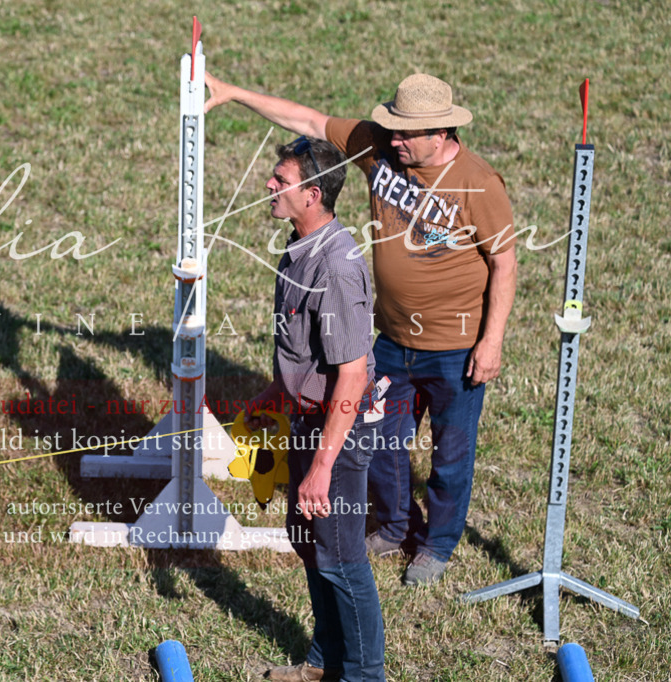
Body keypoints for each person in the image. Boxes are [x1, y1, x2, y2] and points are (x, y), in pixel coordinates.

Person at [206, 72, 517, 587]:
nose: (393, 139)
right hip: (392, 339)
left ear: (440, 133)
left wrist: (492, 340)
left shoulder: (479, 184)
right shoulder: (378, 147)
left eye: (405, 134)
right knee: (375, 441)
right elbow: (307, 120)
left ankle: (436, 546)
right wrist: (234, 93)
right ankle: (396, 527)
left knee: (451, 452)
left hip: (455, 346)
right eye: (392, 128)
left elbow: (504, 263)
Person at [244, 137, 384, 682]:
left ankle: (364, 675)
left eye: (281, 180)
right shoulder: (298, 248)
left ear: (314, 194)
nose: (270, 186)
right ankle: (324, 662)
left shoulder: (337, 267)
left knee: (342, 558)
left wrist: (323, 468)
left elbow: (351, 374)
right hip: (306, 418)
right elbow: (309, 352)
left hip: (338, 430)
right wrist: (275, 395)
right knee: (309, 542)